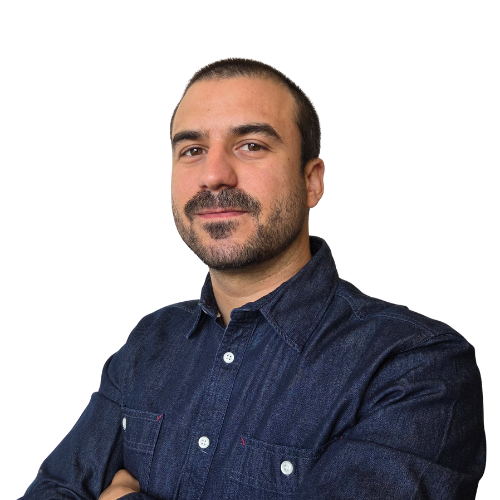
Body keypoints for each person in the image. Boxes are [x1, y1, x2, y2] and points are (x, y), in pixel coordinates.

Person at [20, 58, 486, 500]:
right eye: (193, 150)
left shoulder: (415, 367)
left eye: (251, 146)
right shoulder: (150, 344)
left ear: (311, 182)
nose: (213, 175)